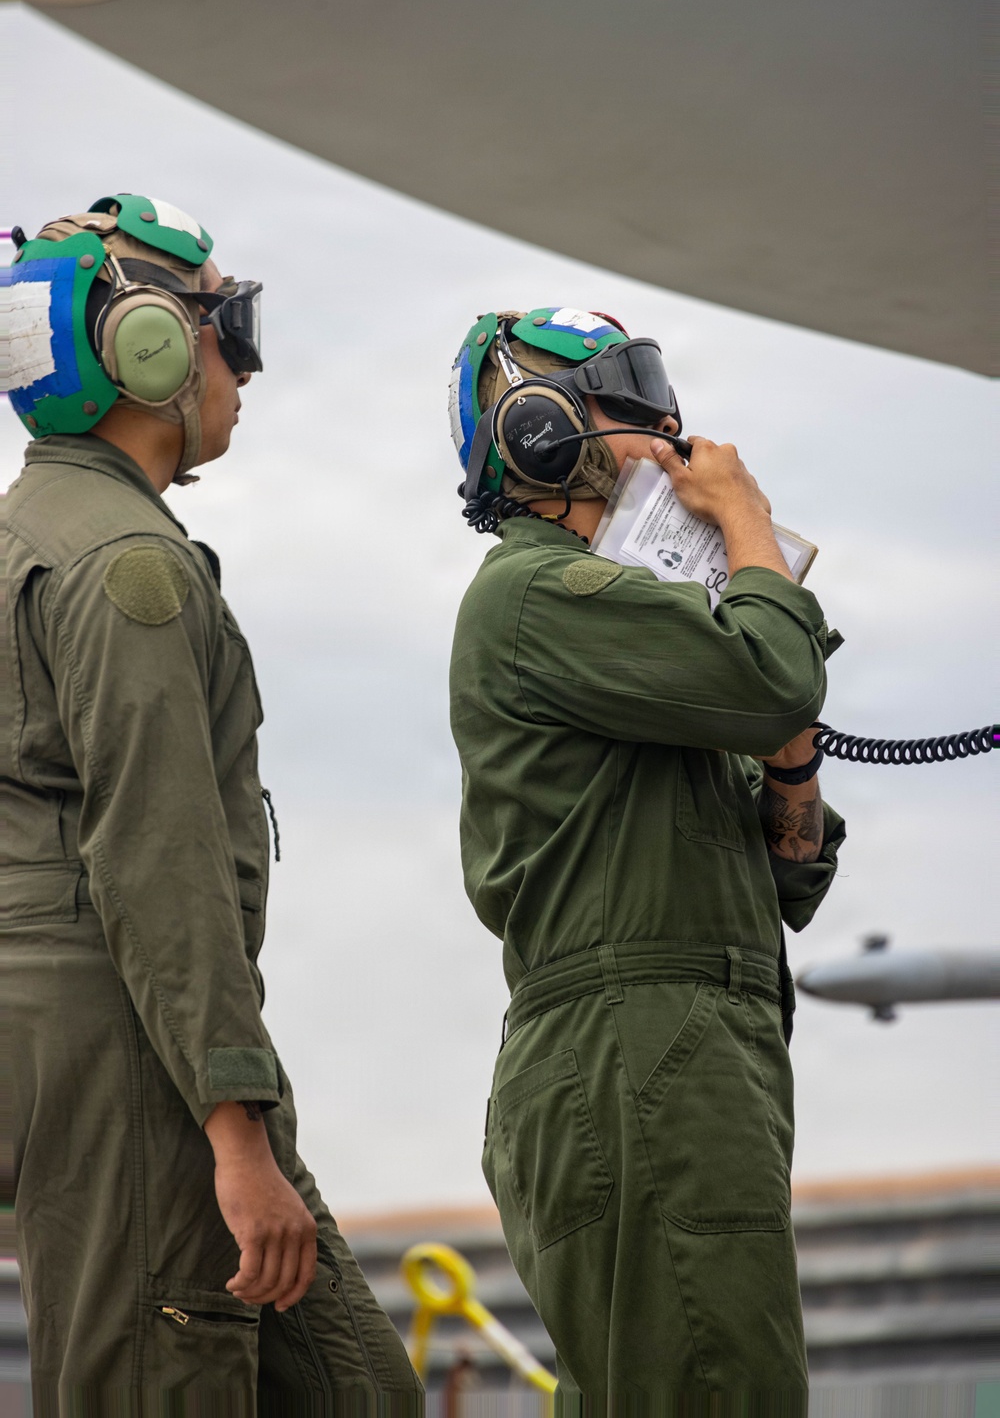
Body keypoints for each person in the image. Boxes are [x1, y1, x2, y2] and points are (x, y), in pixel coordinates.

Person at [1, 196, 421, 1411]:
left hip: (123, 1046)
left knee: (359, 1391)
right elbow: (159, 860)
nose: (242, 363)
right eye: (222, 325)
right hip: (139, 1052)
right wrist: (236, 1134)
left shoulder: (35, 533)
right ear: (140, 344)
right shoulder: (125, 564)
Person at [448, 307, 847, 1403]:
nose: (675, 435)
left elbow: (791, 871)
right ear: (538, 429)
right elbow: (775, 676)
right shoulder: (540, 591)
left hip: (677, 1043)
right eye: (638, 407)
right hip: (640, 1044)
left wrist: (791, 759)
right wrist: (746, 523)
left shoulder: (636, 627)